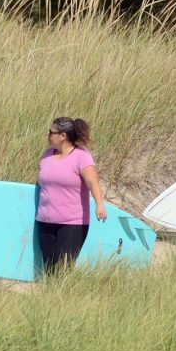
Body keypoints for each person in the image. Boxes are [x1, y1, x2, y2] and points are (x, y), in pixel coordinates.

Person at [36, 117, 107, 273]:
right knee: (49, 268)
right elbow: (41, 185)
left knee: (63, 268)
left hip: (72, 222)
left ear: (63, 135)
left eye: (51, 132)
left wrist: (99, 205)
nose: (48, 135)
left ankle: (66, 295)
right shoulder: (47, 155)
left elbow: (92, 182)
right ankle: (51, 297)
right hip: (45, 220)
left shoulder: (81, 156)